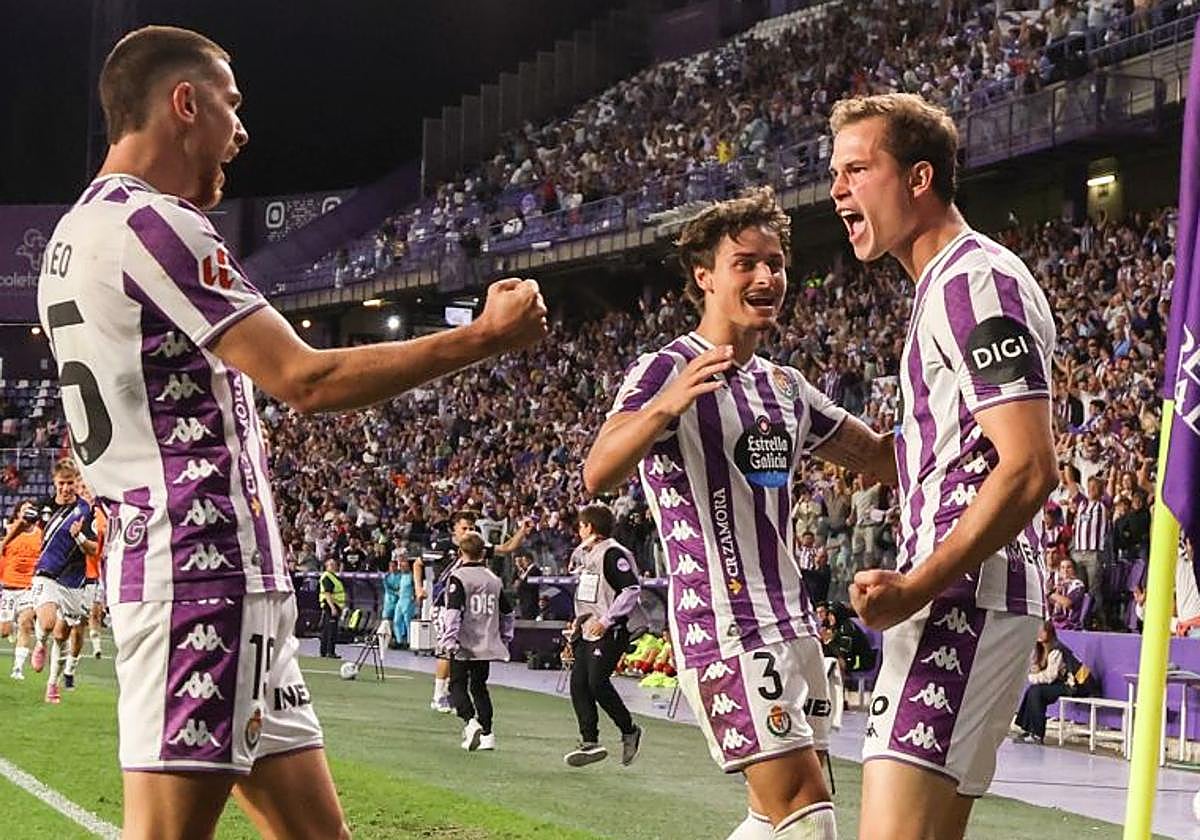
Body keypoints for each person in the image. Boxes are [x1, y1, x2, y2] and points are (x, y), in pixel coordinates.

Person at [36, 24, 546, 840]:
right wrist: (479, 338)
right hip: (198, 576)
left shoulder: (72, 236)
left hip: (212, 579)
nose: (241, 131)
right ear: (184, 103)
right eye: (231, 106)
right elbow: (305, 379)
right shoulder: (155, 224)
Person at [585, 186, 897, 839]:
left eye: (775, 263)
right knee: (807, 813)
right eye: (746, 263)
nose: (766, 277)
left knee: (775, 818)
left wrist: (965, 419)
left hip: (795, 623)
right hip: (724, 624)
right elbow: (599, 471)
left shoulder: (785, 386)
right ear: (704, 276)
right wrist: (666, 406)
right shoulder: (665, 369)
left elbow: (877, 457)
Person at [830, 92, 1058, 840]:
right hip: (971, 594)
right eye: (835, 173)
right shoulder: (948, 284)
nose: (837, 189)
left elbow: (1029, 467)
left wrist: (916, 586)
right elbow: (944, 453)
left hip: (962, 597)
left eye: (857, 169)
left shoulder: (973, 282)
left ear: (919, 178)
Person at [416, 510, 529, 713]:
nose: (468, 531)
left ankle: (452, 692)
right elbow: (418, 563)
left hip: (466, 606)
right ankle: (438, 696)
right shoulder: (442, 547)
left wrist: (522, 531)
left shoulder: (476, 546)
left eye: (471, 528)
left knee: (462, 649)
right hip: (444, 604)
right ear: (454, 529)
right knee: (447, 648)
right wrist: (418, 588)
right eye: (464, 528)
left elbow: (506, 548)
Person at [562, 503, 645, 769]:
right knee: (578, 684)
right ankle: (590, 741)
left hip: (611, 629)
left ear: (590, 527)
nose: (578, 531)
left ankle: (629, 729)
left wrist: (607, 620)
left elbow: (631, 589)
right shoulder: (586, 554)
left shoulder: (612, 553)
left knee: (597, 681)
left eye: (581, 525)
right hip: (586, 629)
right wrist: (578, 622)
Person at [438, 532, 514, 752]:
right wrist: (505, 637)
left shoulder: (459, 577)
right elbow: (508, 612)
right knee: (480, 687)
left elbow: (453, 612)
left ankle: (470, 722)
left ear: (460, 552)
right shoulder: (494, 579)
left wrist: (448, 640)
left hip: (464, 643)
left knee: (456, 685)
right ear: (483, 552)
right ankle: (488, 735)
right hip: (486, 643)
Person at [29, 458, 95, 704]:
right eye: (61, 483)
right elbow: (25, 524)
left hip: (74, 579)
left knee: (62, 635)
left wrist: (79, 538)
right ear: (54, 482)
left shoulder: (85, 511)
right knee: (47, 623)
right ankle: (39, 643)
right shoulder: (43, 507)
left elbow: (93, 549)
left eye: (70, 483)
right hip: (47, 572)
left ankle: (52, 684)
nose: (66, 488)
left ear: (76, 482)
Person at [1012, 621, 1091, 744]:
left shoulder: (1057, 650)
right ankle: (1028, 729)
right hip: (1059, 683)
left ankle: (1037, 734)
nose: (1039, 633)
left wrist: (1032, 677)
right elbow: (1037, 669)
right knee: (1032, 690)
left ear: (1049, 633)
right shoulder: (1040, 649)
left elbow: (1050, 676)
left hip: (1072, 685)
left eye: (1042, 631)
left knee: (1037, 692)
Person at [2, 499, 43, 679]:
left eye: (31, 510)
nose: (28, 513)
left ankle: (17, 668)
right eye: (24, 510)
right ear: (18, 513)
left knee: (26, 624)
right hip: (9, 586)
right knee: (4, 631)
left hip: (29, 586)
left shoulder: (40, 534)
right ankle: (10, 627)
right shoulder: (9, 531)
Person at [1048, 557, 1086, 631]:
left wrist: (1052, 594)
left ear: (1074, 570)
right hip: (1057, 623)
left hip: (1070, 625)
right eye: (1062, 568)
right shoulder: (1059, 585)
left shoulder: (1077, 584)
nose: (1065, 570)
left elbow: (1068, 603)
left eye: (1069, 567)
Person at [514, 553, 543, 619]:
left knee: (529, 617)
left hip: (530, 600)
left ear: (529, 560)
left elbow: (532, 585)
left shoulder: (535, 570)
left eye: (524, 561)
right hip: (524, 600)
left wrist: (520, 584)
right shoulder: (525, 571)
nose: (523, 563)